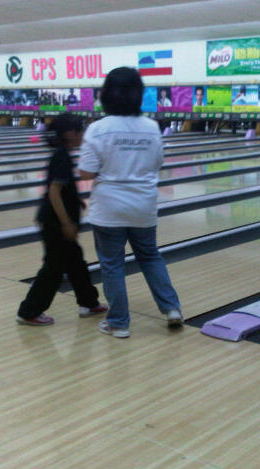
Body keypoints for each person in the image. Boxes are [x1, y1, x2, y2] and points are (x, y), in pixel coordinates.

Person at [77, 67, 182, 339]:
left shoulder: (98, 129)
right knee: (150, 257)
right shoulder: (151, 127)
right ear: (139, 94)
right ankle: (172, 309)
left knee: (112, 265)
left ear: (105, 94)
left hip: (108, 209)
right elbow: (158, 164)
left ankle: (119, 323)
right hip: (143, 207)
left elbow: (86, 173)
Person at [16, 113, 108, 326]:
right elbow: (54, 192)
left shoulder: (62, 154)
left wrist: (76, 200)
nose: (83, 135)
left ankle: (89, 303)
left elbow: (62, 190)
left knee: (76, 263)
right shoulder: (61, 157)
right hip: (55, 223)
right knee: (53, 268)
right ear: (69, 134)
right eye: (80, 131)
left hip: (55, 220)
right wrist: (66, 222)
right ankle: (29, 311)